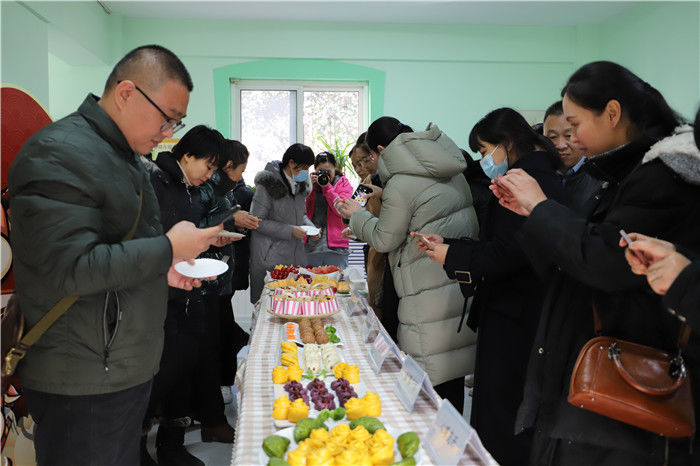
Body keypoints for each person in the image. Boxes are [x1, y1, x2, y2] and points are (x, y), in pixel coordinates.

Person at [7, 45, 222, 466]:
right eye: (168, 118)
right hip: (81, 378)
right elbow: (69, 268)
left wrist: (165, 269)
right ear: (126, 93)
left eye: (178, 122)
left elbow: (113, 250)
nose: (170, 132)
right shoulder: (60, 152)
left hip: (119, 366)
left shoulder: (122, 157)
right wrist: (168, 248)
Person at [492, 61, 700, 464]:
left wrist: (541, 207)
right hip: (599, 366)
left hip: (630, 376)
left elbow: (605, 261)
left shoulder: (666, 174)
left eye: (573, 126)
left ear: (612, 113)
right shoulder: (613, 171)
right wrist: (533, 214)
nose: (568, 140)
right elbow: (576, 255)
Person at [416, 108, 564, 465]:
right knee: (502, 406)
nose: (483, 160)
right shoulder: (535, 174)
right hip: (517, 306)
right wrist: (453, 246)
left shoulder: (527, 179)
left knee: (503, 410)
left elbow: (511, 253)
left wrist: (452, 255)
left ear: (507, 143)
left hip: (517, 310)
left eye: (484, 150)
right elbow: (503, 242)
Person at [337, 116, 479, 409]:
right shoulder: (447, 167)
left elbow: (385, 239)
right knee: (448, 365)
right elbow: (426, 205)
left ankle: (427, 446)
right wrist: (385, 194)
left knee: (426, 375)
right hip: (455, 278)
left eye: (371, 157)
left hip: (422, 283)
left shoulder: (401, 180)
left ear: (379, 149)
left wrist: (357, 214)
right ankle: (449, 442)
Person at [143, 125, 237, 466]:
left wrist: (211, 239)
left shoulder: (193, 190)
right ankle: (138, 448)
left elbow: (189, 237)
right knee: (157, 375)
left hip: (188, 292)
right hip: (158, 298)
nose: (210, 175)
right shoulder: (157, 184)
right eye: (208, 166)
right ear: (187, 155)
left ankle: (172, 443)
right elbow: (151, 242)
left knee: (185, 366)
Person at [198, 139, 259, 408]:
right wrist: (232, 219)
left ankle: (220, 389)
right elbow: (198, 224)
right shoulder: (206, 188)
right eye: (240, 170)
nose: (241, 177)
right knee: (213, 339)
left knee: (223, 332)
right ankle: (210, 401)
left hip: (221, 275)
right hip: (205, 277)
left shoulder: (225, 189)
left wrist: (237, 219)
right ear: (228, 165)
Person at [249, 143, 316, 303]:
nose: (307, 172)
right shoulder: (267, 186)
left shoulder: (300, 185)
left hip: (294, 256)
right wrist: (290, 230)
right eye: (305, 167)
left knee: (294, 304)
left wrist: (311, 228)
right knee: (269, 307)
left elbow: (302, 215)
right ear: (292, 163)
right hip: (269, 256)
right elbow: (256, 221)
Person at [542, 100, 601, 212]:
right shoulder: (536, 173)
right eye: (552, 137)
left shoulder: (600, 175)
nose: (561, 145)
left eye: (568, 135)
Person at [305, 151, 354, 268]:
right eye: (321, 171)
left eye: (328, 172)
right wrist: (308, 189)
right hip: (311, 245)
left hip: (337, 247)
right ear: (315, 170)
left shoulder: (343, 183)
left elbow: (341, 211)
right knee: (309, 283)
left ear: (335, 169)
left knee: (337, 283)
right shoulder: (308, 183)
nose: (325, 175)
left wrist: (327, 188)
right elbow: (301, 211)